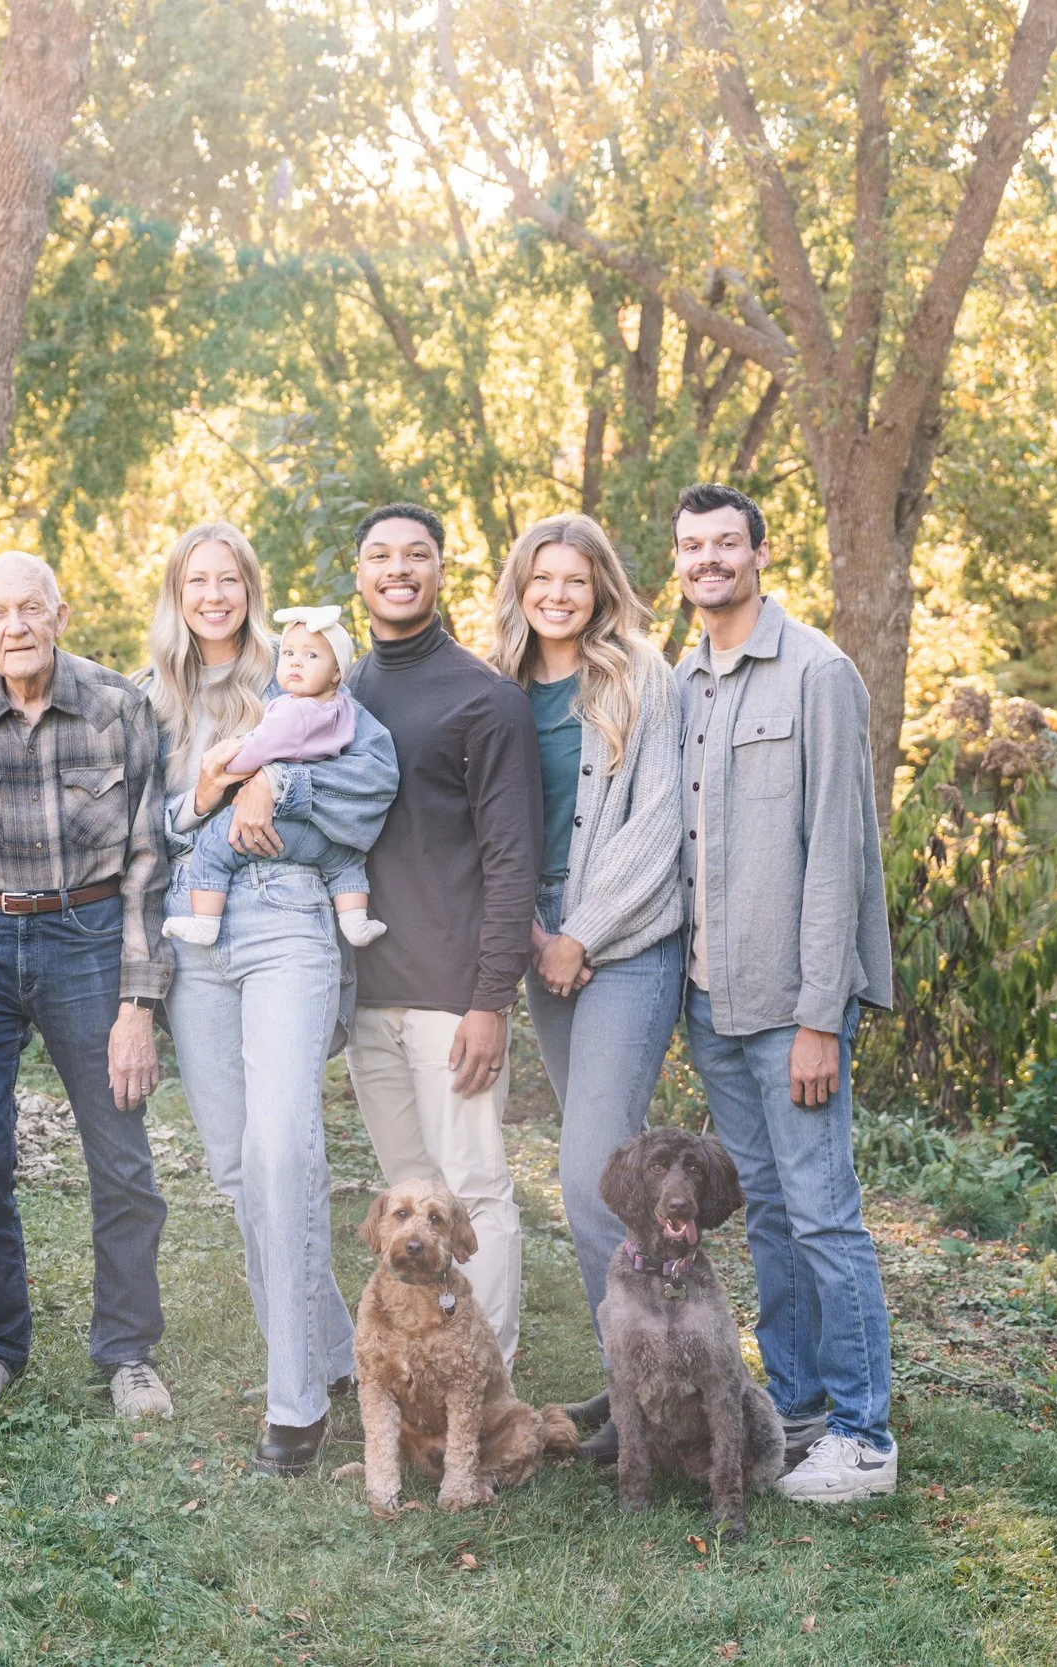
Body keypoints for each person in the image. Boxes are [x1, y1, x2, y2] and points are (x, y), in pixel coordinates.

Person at [142, 524, 399, 1477]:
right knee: (234, 1164)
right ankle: (337, 1351)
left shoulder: (311, 672)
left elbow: (372, 782)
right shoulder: (155, 695)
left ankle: (294, 1405)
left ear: (255, 587)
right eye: (194, 581)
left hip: (289, 916)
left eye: (229, 578)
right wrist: (208, 791)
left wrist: (279, 781)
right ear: (176, 594)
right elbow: (153, 831)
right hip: (196, 928)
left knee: (282, 1141)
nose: (213, 594)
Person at [670, 481, 898, 1502]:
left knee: (822, 1214)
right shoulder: (686, 680)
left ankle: (865, 1433)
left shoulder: (817, 672)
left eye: (726, 542)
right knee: (764, 1209)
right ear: (676, 563)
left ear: (760, 552)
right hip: (711, 1002)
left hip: (790, 1005)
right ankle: (800, 1406)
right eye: (691, 546)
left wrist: (821, 1016)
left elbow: (840, 857)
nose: (709, 558)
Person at [0, 552, 174, 1418]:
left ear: (60, 612)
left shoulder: (118, 708)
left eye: (31, 608)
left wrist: (138, 1002)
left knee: (120, 1151)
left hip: (87, 935)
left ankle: (127, 1349)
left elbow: (147, 859)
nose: (15, 626)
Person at [484, 512, 685, 1458]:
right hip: (540, 934)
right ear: (520, 587)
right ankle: (646, 1377)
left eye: (576, 579)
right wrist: (528, 928)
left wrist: (580, 932)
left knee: (589, 1171)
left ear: (601, 586)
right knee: (617, 1177)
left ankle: (653, 1391)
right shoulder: (500, 686)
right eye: (541, 579)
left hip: (627, 939)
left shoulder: (640, 677)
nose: (557, 594)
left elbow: (658, 828)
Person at [343, 503, 543, 1361]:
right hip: (367, 995)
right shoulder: (342, 688)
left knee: (474, 1193)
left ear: (439, 570)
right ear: (360, 575)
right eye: (381, 555)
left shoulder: (486, 698)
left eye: (415, 555)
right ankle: (425, 1367)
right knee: (412, 1198)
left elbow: (513, 861)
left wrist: (491, 1000)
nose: (397, 568)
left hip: (452, 998)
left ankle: (486, 1374)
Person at [163, 605, 385, 950]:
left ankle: (204, 922)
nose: (296, 662)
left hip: (281, 822)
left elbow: (261, 747)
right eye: (291, 654)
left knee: (214, 844)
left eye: (311, 656)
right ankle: (355, 921)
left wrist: (235, 766)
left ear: (337, 672)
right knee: (346, 860)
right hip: (324, 827)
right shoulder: (340, 707)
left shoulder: (293, 709)